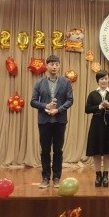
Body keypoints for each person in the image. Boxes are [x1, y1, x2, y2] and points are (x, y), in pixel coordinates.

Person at [30, 55, 73, 189]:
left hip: (60, 120)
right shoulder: (39, 82)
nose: (54, 67)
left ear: (59, 66)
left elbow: (70, 100)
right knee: (45, 150)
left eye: (56, 64)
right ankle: (45, 177)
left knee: (58, 150)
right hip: (44, 121)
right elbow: (33, 101)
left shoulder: (66, 82)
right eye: (52, 64)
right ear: (47, 66)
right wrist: (45, 106)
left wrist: (58, 110)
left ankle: (56, 178)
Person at [85, 70, 109, 187]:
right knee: (96, 151)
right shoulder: (92, 94)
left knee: (108, 151)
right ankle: (98, 175)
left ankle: (105, 175)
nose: (104, 81)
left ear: (108, 80)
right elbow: (87, 109)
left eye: (105, 78)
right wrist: (99, 106)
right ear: (97, 81)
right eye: (101, 79)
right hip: (96, 125)